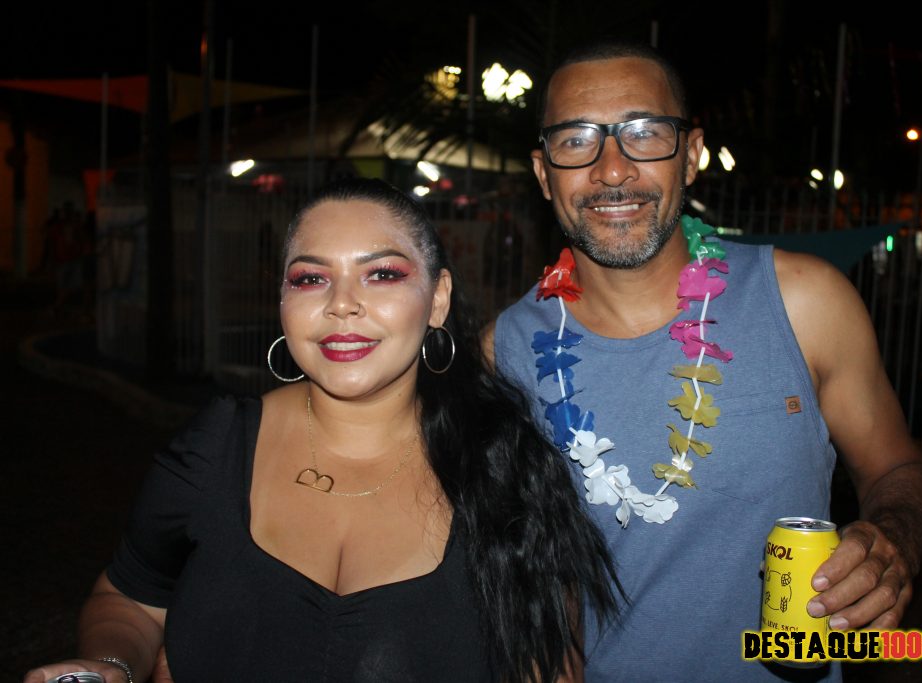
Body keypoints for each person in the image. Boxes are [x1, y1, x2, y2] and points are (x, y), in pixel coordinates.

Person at [26, 178, 620, 683]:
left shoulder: (507, 470)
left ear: (437, 299)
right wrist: (109, 664)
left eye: (381, 274)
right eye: (310, 279)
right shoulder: (216, 446)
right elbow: (129, 598)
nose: (341, 304)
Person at [487, 42, 922, 681]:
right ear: (543, 172)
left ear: (691, 155)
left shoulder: (806, 302)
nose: (612, 170)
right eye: (576, 139)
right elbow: (520, 583)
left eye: (645, 133)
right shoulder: (502, 353)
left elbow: (896, 467)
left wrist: (894, 539)